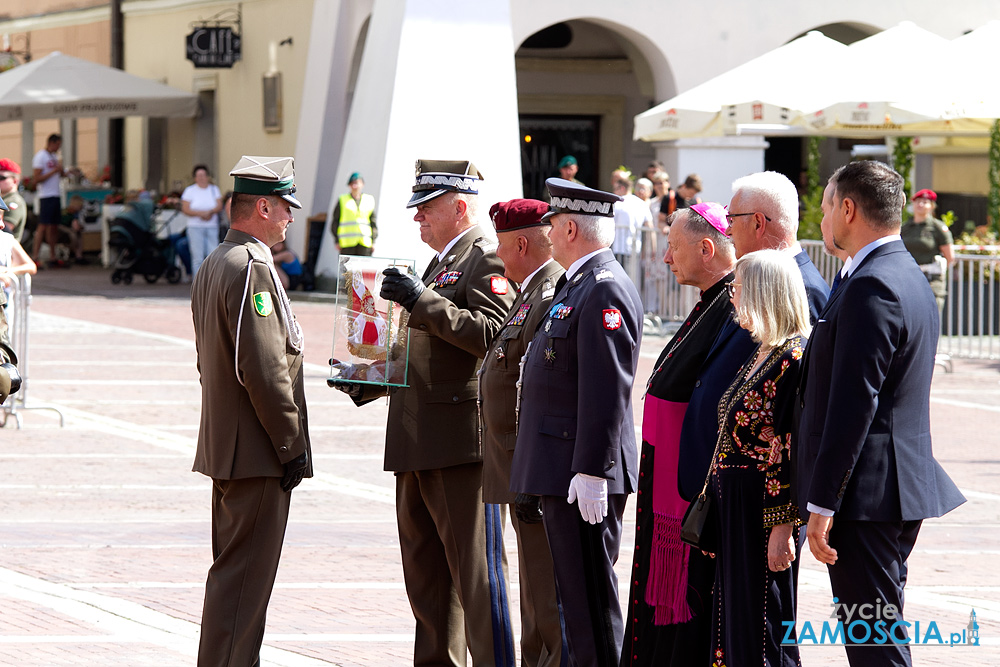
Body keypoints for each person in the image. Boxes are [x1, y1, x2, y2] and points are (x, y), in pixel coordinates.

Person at [338, 159, 517, 666]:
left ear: (460, 208)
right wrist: (367, 377)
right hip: (418, 441)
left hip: (459, 445)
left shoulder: (485, 256)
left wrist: (423, 300)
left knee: (477, 581)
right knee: (427, 583)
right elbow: (422, 350)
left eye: (426, 210)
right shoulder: (442, 262)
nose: (417, 219)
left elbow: (492, 337)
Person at [797, 160, 966, 667]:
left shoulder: (873, 285)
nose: (822, 221)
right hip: (891, 487)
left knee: (875, 645)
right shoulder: (904, 273)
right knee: (877, 634)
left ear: (848, 209)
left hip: (865, 499)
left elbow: (855, 404)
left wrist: (823, 503)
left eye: (826, 208)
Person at [510, 178, 642, 667]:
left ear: (569, 228)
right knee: (574, 603)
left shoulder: (603, 288)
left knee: (589, 604)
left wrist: (591, 471)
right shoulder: (580, 284)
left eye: (551, 226)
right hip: (562, 468)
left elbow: (607, 389)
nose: (547, 235)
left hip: (580, 474)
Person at [190, 155, 312, 667]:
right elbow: (262, 368)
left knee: (233, 582)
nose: (289, 218)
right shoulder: (252, 267)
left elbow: (209, 360)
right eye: (285, 207)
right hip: (258, 452)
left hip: (230, 447)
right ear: (262, 206)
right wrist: (292, 444)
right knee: (243, 590)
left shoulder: (218, 260)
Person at [620, 203, 739, 667]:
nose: (665, 260)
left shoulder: (731, 307)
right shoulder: (712, 300)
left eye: (673, 248)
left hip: (690, 496)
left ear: (706, 248)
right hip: (669, 489)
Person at [710, 249, 810, 667]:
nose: (731, 295)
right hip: (736, 505)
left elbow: (786, 448)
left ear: (763, 293)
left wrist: (781, 527)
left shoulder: (792, 358)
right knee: (735, 619)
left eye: (738, 286)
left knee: (764, 621)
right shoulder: (762, 351)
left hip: (761, 509)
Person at [480, 198, 566, 667]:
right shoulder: (529, 291)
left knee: (545, 587)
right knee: (533, 589)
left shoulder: (550, 292)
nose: (496, 254)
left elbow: (542, 389)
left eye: (500, 244)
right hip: (516, 463)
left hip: (531, 465)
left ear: (520, 243)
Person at [726, 171, 830, 323]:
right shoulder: (767, 277)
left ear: (758, 223)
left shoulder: (803, 289)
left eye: (732, 220)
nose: (728, 230)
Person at [901, 188, 954, 316]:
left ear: (932, 206)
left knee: (930, 316)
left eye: (925, 202)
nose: (920, 205)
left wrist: (937, 270)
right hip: (909, 278)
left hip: (931, 279)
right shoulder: (905, 227)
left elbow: (950, 257)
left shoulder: (937, 227)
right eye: (917, 201)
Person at [182, 164, 224, 278]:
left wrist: (209, 212)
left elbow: (219, 205)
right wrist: (200, 214)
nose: (201, 178)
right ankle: (198, 283)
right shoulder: (190, 190)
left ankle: (212, 281)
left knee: (213, 254)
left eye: (203, 175)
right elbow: (185, 209)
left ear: (207, 176)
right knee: (197, 257)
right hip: (195, 226)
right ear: (195, 177)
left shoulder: (214, 189)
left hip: (211, 226)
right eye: (198, 175)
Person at [31, 134, 66, 268]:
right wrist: (54, 171)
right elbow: (36, 178)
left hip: (56, 194)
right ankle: (35, 256)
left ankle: (53, 256)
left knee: (54, 227)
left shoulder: (54, 156)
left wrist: (62, 171)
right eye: (58, 144)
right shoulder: (41, 156)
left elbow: (60, 174)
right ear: (52, 142)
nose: (59, 147)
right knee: (43, 226)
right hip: (46, 195)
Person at [611, 173, 653, 269]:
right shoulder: (642, 204)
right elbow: (650, 228)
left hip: (619, 248)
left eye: (615, 189)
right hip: (635, 249)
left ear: (622, 188)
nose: (613, 192)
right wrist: (652, 249)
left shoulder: (617, 203)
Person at [332, 172, 377, 256]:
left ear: (362, 184)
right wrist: (336, 240)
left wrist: (373, 241)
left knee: (363, 267)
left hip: (364, 243)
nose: (354, 186)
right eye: (352, 184)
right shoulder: (342, 200)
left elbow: (373, 222)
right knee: (347, 268)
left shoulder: (369, 200)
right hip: (347, 244)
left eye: (357, 183)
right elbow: (335, 221)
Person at [0, 159, 28, 243]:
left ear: (15, 181)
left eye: (2, 178)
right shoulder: (4, 199)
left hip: (8, 251)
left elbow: (5, 229)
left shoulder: (15, 202)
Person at [59, 195, 87, 265]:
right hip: (60, 227)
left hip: (58, 227)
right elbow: (76, 226)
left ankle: (76, 253)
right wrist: (80, 227)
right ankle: (77, 254)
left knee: (76, 234)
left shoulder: (65, 210)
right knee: (75, 234)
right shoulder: (74, 214)